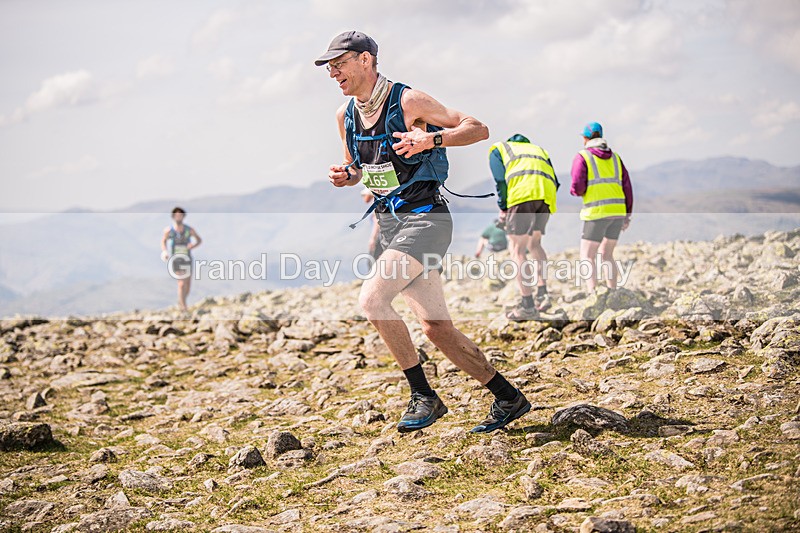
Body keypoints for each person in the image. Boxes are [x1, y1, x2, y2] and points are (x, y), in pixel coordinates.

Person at [317, 30, 530, 433]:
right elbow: (358, 167)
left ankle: (423, 396)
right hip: (388, 223)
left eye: (339, 63)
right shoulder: (344, 116)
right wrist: (345, 175)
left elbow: (477, 128)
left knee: (372, 300)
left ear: (366, 60)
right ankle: (508, 397)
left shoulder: (408, 99)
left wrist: (432, 137)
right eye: (329, 67)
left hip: (427, 218)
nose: (333, 73)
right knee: (436, 328)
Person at [489, 134, 558, 320]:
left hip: (521, 196)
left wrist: (504, 208)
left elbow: (501, 181)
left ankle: (527, 305)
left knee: (517, 249)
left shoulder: (500, 149)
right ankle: (543, 294)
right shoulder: (539, 150)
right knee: (535, 244)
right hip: (546, 196)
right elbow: (556, 181)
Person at [570, 122, 633, 291]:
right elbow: (627, 187)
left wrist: (576, 191)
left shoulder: (582, 156)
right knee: (607, 255)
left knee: (587, 256)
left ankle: (593, 293)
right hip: (618, 212)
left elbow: (577, 184)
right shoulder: (616, 158)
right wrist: (627, 215)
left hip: (596, 213)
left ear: (585, 138)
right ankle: (612, 291)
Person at [160, 207, 202, 312]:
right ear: (173, 217)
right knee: (181, 283)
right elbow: (163, 241)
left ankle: (182, 300)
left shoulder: (189, 230)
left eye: (180, 215)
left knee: (187, 284)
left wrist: (193, 245)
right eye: (176, 215)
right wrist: (165, 251)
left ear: (183, 216)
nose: (178, 217)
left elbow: (199, 240)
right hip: (176, 258)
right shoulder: (169, 231)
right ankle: (183, 307)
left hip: (187, 258)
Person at [361, 187, 383, 260]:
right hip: (382, 237)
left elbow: (377, 222)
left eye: (364, 195)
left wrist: (373, 239)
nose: (364, 198)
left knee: (373, 262)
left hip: (379, 238)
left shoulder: (376, 205)